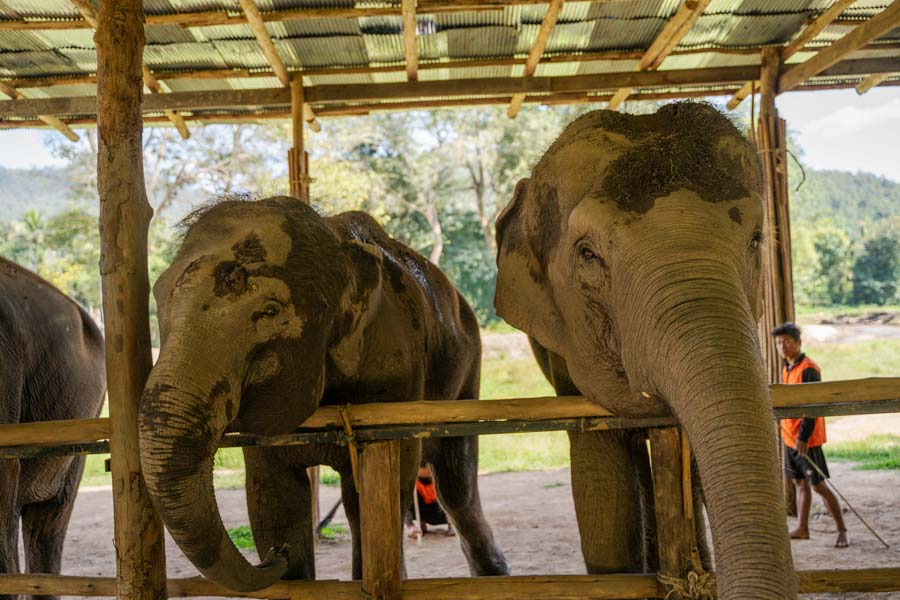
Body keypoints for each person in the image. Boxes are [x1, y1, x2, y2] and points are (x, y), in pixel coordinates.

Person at [772, 322, 849, 548]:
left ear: (798, 342)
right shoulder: (787, 368)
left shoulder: (809, 369)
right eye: (779, 343)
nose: (783, 346)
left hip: (806, 440)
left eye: (787, 341)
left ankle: (842, 530)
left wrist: (803, 438)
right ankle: (803, 528)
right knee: (799, 483)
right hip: (789, 437)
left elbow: (812, 406)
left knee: (818, 485)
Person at [406, 463, 454, 538]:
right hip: (423, 510)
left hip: (440, 512)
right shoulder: (414, 482)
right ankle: (416, 526)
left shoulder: (441, 479)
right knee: (406, 501)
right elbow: (407, 506)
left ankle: (451, 525)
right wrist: (410, 525)